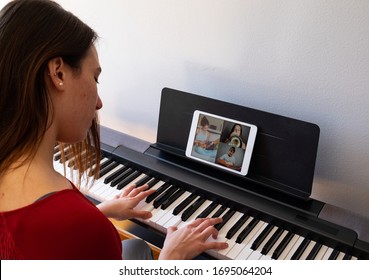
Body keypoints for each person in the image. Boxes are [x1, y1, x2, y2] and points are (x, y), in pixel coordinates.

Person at [0, 0, 228, 260]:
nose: (99, 103)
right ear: (58, 73)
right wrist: (171, 258)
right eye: (95, 77)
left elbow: (36, 244)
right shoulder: (85, 229)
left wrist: (100, 211)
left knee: (134, 247)